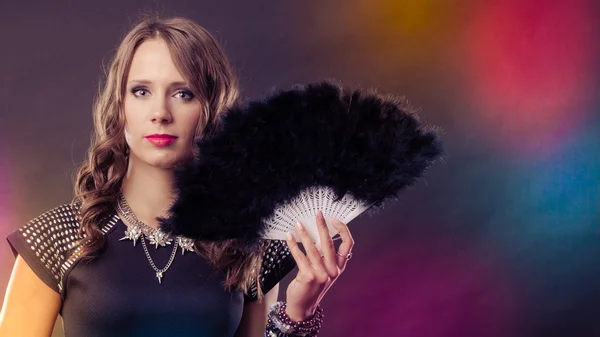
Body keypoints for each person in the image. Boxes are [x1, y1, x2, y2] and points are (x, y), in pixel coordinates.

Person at [0, 16, 354, 337]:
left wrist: (298, 312)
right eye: (141, 91)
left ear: (211, 109)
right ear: (119, 107)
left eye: (183, 94)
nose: (160, 112)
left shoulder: (245, 245)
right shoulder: (55, 239)